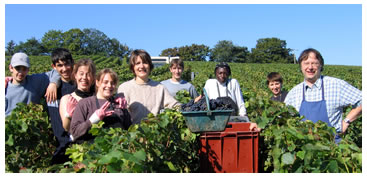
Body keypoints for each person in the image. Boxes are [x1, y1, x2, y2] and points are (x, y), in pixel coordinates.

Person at [284, 48, 362, 142]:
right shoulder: (294, 93)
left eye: (314, 63)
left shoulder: (336, 85)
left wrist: (346, 121)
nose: (310, 67)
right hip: (304, 149)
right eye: (306, 63)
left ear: (320, 65)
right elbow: (283, 118)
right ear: (301, 66)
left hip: (332, 148)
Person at [117, 49, 180, 124]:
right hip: (132, 134)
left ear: (150, 66)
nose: (141, 66)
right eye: (137, 63)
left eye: (145, 62)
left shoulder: (159, 87)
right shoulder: (124, 88)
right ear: (133, 67)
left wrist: (190, 106)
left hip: (154, 133)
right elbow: (120, 113)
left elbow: (174, 105)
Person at [70, 68, 131, 143]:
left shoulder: (119, 104)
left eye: (112, 83)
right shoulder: (85, 103)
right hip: (92, 151)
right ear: (97, 83)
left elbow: (129, 131)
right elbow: (75, 132)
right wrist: (93, 120)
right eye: (105, 82)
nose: (109, 85)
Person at [202, 62, 259, 131]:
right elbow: (204, 101)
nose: (222, 75)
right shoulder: (210, 83)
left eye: (225, 73)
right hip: (215, 121)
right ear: (215, 74)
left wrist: (243, 117)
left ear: (229, 74)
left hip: (232, 120)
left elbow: (240, 101)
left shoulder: (233, 83)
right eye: (220, 73)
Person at [47, 48, 77, 164]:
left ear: (72, 62)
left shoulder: (80, 86)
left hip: (78, 143)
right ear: (54, 67)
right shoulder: (48, 85)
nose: (64, 69)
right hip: (59, 145)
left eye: (67, 64)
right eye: (60, 65)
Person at [5, 52, 60, 117]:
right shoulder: (5, 86)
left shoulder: (35, 81)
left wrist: (53, 83)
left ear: (28, 69)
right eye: (18, 68)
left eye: (24, 69)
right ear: (11, 68)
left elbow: (57, 71)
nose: (21, 72)